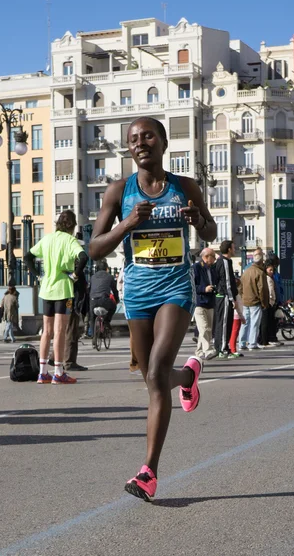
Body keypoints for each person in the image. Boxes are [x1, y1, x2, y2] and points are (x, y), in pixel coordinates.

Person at [88, 116, 217, 502]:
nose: (140, 143)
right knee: (153, 379)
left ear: (163, 143)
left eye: (147, 136)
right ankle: (188, 376)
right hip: (138, 294)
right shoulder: (118, 191)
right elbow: (94, 248)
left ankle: (148, 472)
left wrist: (198, 220)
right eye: (133, 139)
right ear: (128, 148)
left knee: (156, 373)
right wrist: (127, 224)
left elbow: (211, 232)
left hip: (175, 289)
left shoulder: (184, 186)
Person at [24, 209, 88, 385]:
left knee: (47, 331)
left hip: (47, 288)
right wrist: (75, 275)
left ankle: (43, 372)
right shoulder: (70, 240)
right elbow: (83, 257)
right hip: (63, 289)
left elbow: (27, 256)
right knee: (60, 331)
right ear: (73, 226)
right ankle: (58, 372)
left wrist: (37, 275)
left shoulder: (47, 239)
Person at [238, 248, 269, 351]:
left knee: (245, 323)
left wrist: (242, 297)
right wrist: (264, 303)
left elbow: (240, 288)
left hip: (245, 300)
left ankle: (242, 343)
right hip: (255, 301)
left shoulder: (246, 271)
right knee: (254, 323)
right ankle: (252, 343)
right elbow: (263, 289)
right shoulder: (260, 273)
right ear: (261, 260)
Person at [214, 240, 240, 358]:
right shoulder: (224, 262)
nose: (234, 250)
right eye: (233, 248)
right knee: (224, 323)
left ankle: (222, 347)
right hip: (224, 296)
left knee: (225, 322)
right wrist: (232, 298)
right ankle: (223, 349)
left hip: (224, 296)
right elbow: (226, 282)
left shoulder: (224, 261)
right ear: (229, 249)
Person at [193, 247, 218, 360]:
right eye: (213, 256)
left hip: (210, 302)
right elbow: (192, 286)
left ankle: (199, 351)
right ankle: (208, 350)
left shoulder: (212, 269)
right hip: (199, 303)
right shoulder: (196, 268)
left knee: (207, 328)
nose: (214, 259)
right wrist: (204, 289)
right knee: (204, 328)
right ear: (206, 257)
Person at [88, 259, 120, 341]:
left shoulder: (92, 277)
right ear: (106, 268)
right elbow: (115, 290)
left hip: (93, 300)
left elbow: (90, 289)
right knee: (113, 306)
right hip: (104, 300)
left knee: (92, 317)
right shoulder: (109, 277)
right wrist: (116, 300)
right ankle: (106, 321)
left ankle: (93, 336)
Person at [259, 261, 279, 347]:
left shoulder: (269, 278)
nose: (272, 272)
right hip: (269, 302)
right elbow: (270, 291)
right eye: (270, 270)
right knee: (265, 322)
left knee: (267, 322)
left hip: (270, 301)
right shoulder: (267, 278)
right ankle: (264, 340)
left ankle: (265, 339)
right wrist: (272, 299)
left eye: (272, 270)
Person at [228, 277, 246, 356]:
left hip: (235, 315)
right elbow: (238, 307)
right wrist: (242, 317)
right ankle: (233, 349)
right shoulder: (237, 295)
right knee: (234, 333)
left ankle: (233, 348)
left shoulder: (234, 294)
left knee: (234, 333)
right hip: (237, 315)